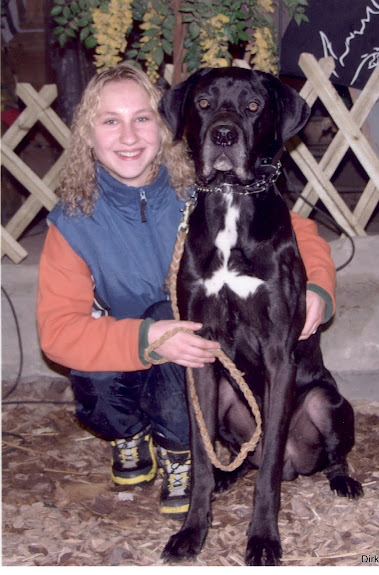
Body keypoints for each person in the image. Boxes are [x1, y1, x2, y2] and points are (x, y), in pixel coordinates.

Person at [37, 63, 336, 519]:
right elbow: (57, 333)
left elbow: (296, 233)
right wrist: (148, 338)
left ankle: (181, 451)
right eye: (110, 121)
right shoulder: (74, 220)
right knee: (112, 363)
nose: (129, 136)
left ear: (166, 126)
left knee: (192, 337)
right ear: (88, 135)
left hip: (188, 359)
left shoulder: (197, 188)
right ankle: (130, 434)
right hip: (124, 355)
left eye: (142, 118)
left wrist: (317, 285)